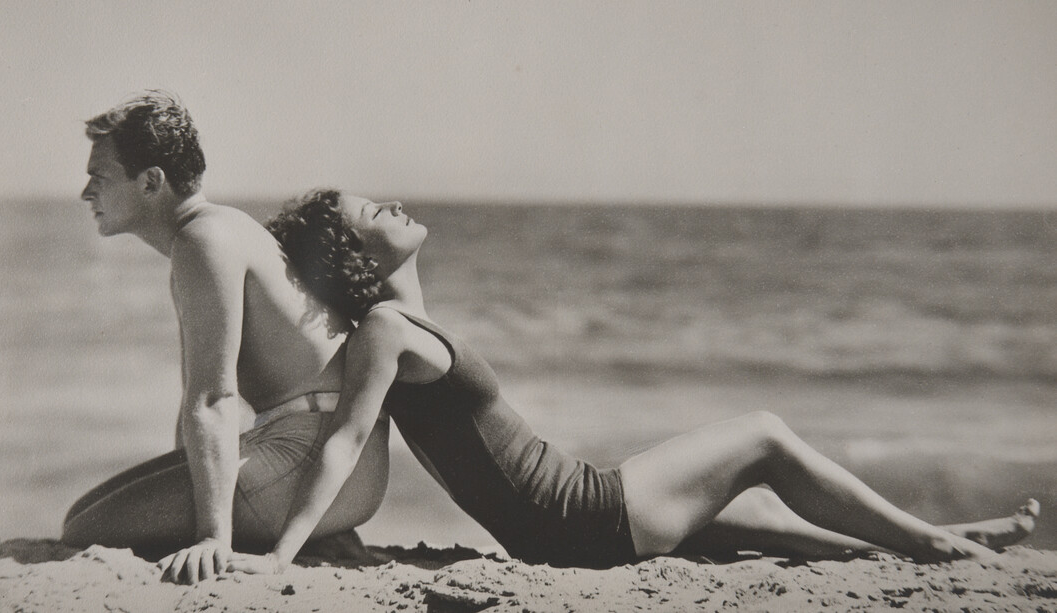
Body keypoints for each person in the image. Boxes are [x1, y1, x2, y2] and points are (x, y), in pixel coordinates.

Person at [227, 188, 1039, 573]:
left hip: (568, 515)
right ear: (357, 255)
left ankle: (937, 542)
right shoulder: (384, 332)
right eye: (372, 208)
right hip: (580, 518)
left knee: (754, 510)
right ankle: (934, 541)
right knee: (762, 432)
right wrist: (284, 554)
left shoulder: (399, 322)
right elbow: (343, 443)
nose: (392, 200)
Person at [60, 93, 391, 584]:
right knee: (91, 508)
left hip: (312, 464)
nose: (87, 192)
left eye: (100, 177)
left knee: (80, 527)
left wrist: (212, 537)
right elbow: (196, 398)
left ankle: (288, 529)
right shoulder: (217, 230)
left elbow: (214, 399)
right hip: (335, 470)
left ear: (151, 181)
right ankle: (318, 533)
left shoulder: (202, 242)